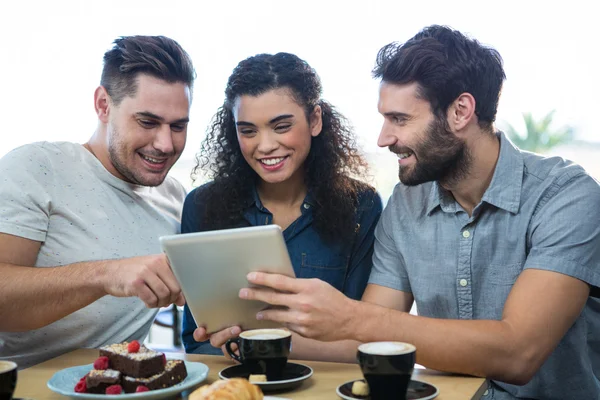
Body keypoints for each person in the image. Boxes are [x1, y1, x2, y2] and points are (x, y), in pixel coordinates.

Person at [205, 26, 600, 399]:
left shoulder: (565, 196)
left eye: (399, 119)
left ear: (460, 111)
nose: (383, 138)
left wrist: (351, 316)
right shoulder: (406, 204)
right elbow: (361, 334)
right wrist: (252, 338)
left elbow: (519, 352)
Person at [0, 35, 196, 369]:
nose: (165, 144)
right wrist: (107, 275)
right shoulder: (35, 167)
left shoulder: (176, 199)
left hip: (120, 387)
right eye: (147, 122)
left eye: (178, 126)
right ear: (104, 105)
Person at [181, 52, 382, 357]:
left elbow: (366, 339)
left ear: (315, 120)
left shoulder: (361, 206)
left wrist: (258, 344)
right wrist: (227, 348)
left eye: (281, 126)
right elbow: (195, 341)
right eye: (248, 130)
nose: (264, 145)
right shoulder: (202, 206)